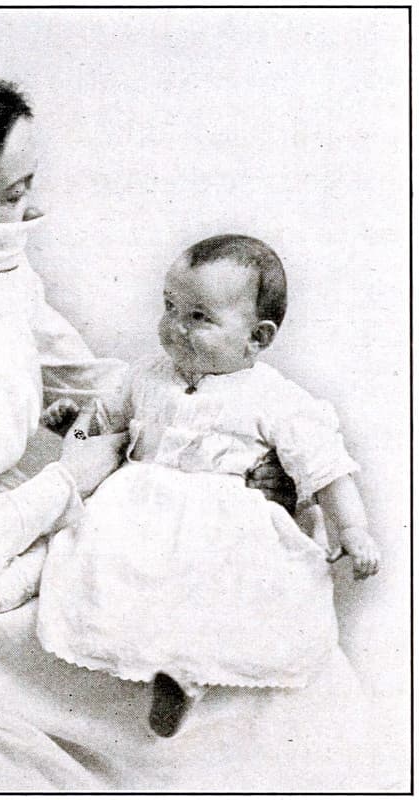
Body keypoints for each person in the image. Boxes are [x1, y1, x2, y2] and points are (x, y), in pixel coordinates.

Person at [0, 69, 377, 791]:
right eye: (13, 193)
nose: (33, 207)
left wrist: (217, 435)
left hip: (9, 535)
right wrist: (68, 480)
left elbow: (87, 378)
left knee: (229, 643)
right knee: (177, 695)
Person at [36, 234, 381, 738]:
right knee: (99, 558)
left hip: (223, 521)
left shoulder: (276, 399)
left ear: (257, 338)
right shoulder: (146, 375)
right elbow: (101, 420)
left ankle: (184, 678)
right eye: (170, 307)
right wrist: (75, 428)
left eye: (198, 318)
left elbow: (326, 468)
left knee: (212, 589)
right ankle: (101, 639)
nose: (174, 327)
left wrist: (353, 529)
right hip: (138, 506)